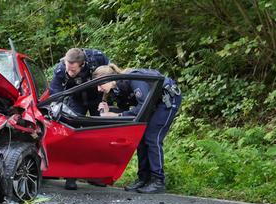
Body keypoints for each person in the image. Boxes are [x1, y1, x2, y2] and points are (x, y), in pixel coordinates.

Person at [92, 63, 181, 194]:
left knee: (152, 137)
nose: (98, 89)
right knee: (140, 137)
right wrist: (108, 110)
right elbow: (128, 109)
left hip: (167, 100)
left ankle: (158, 180)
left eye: (100, 84)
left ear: (110, 79)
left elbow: (143, 107)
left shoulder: (133, 80)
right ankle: (143, 178)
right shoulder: (118, 88)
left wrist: (117, 115)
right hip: (152, 104)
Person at [49, 48, 109, 190]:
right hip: (76, 99)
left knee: (99, 135)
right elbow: (55, 92)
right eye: (68, 69)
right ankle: (71, 176)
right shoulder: (60, 68)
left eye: (73, 70)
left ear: (82, 65)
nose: (69, 73)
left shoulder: (97, 59)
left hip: (97, 98)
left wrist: (107, 100)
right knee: (73, 135)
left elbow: (109, 75)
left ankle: (96, 175)